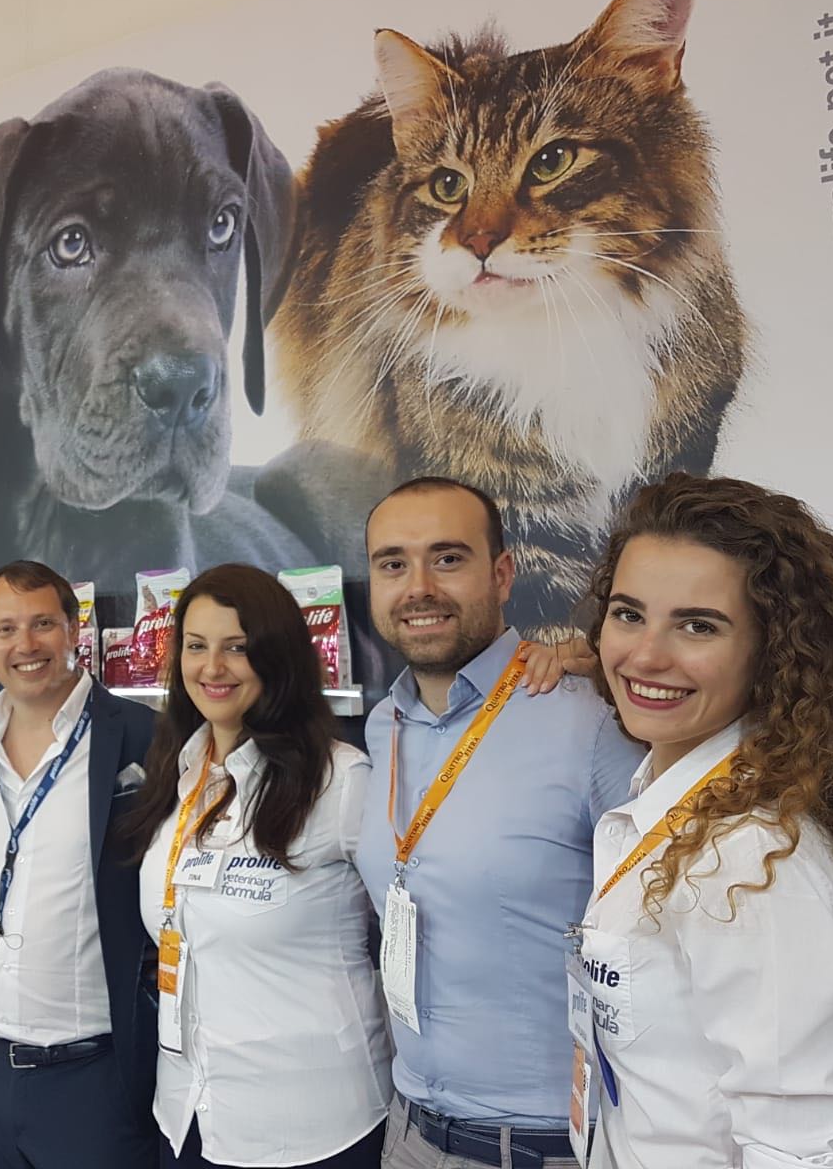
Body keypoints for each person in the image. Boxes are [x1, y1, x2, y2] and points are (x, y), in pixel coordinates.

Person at [578, 473, 833, 1168]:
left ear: (772, 648)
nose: (645, 655)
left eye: (698, 625)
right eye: (629, 614)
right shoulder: (668, 799)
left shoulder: (748, 856)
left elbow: (799, 1149)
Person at [356, 476, 642, 1169]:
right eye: (393, 564)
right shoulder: (384, 724)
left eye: (448, 558)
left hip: (546, 1145)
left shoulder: (590, 719)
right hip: (409, 1131)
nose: (419, 587)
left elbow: (683, 931)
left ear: (503, 574)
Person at [126, 563, 390, 1168]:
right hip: (189, 1114)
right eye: (196, 646)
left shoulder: (339, 782)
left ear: (278, 656)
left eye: (237, 648)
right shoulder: (178, 772)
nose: (212, 668)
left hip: (310, 1125)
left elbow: (410, 926)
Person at [0, 560, 162, 1169]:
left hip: (95, 1074)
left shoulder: (144, 737)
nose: (26, 645)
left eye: (42, 624)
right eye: (5, 629)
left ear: (73, 629)